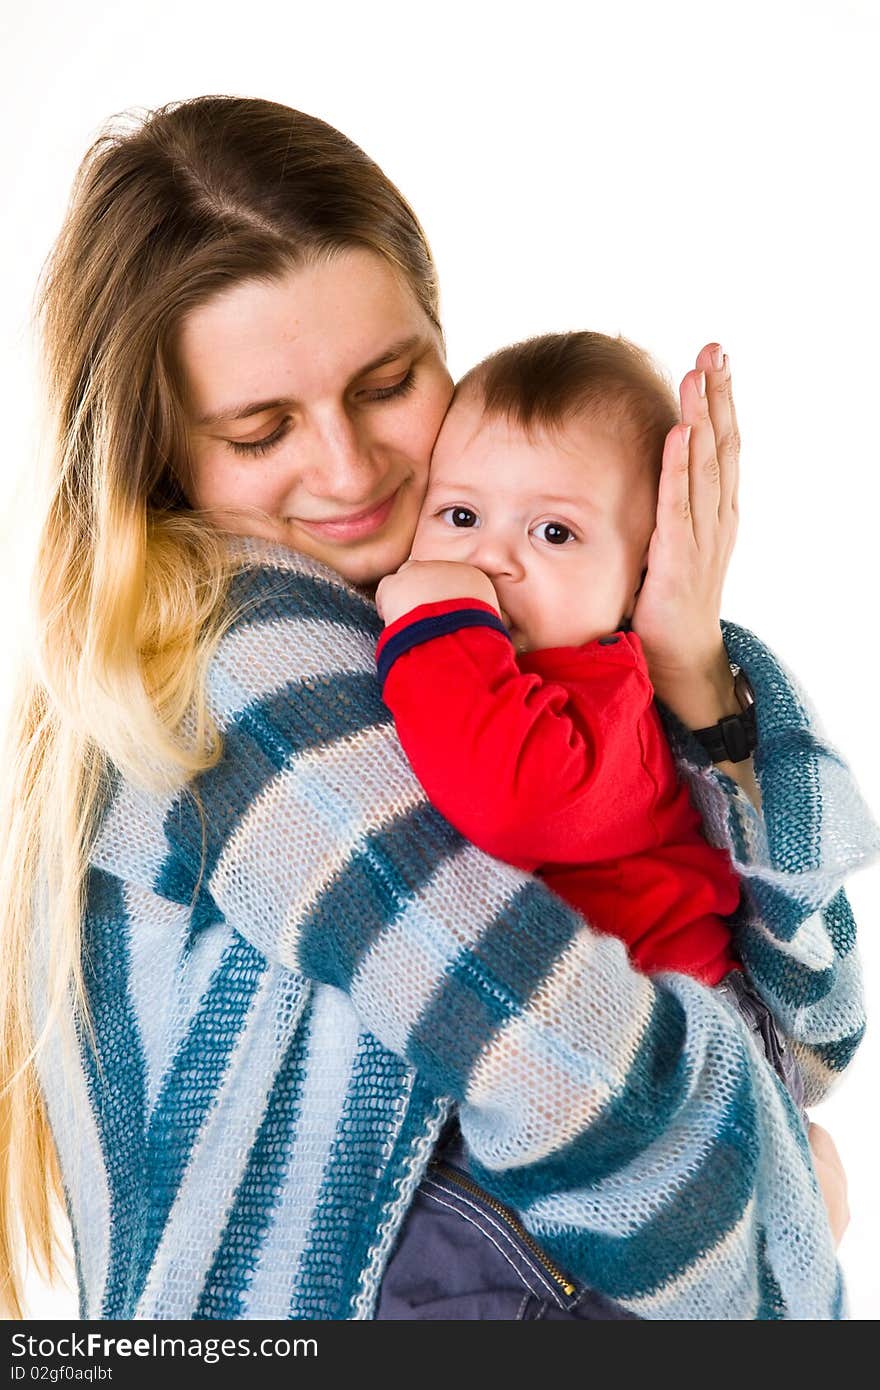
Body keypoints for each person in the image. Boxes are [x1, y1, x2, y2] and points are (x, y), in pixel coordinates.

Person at [0, 95, 873, 1322]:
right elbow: (603, 1088)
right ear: (161, 456)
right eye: (261, 430)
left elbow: (824, 1020)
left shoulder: (479, 620)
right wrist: (791, 1219)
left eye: (387, 382)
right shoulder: (244, 650)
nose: (349, 473)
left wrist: (692, 666)